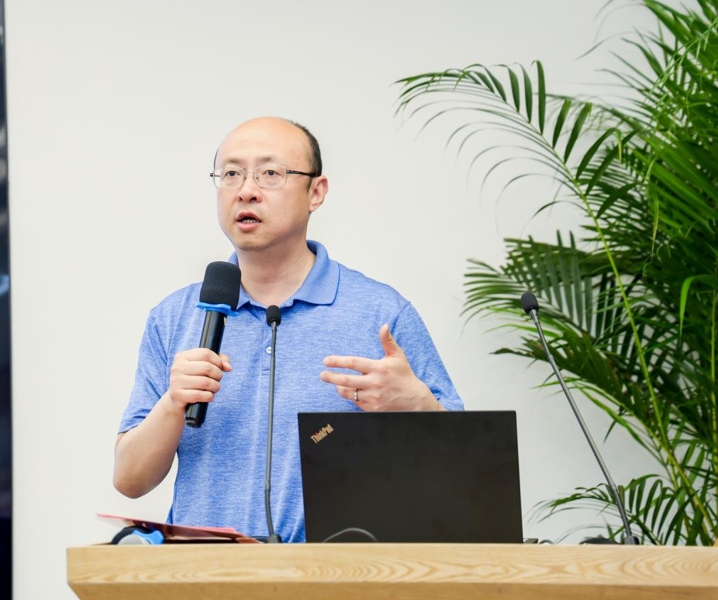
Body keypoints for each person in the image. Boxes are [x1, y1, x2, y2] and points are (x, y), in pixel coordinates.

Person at [113, 116, 463, 542]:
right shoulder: (174, 317)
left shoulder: (381, 313)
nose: (246, 190)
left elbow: (464, 473)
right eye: (231, 174)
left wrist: (418, 407)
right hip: (207, 571)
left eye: (270, 173)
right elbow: (129, 480)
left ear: (316, 192)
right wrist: (173, 404)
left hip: (342, 573)